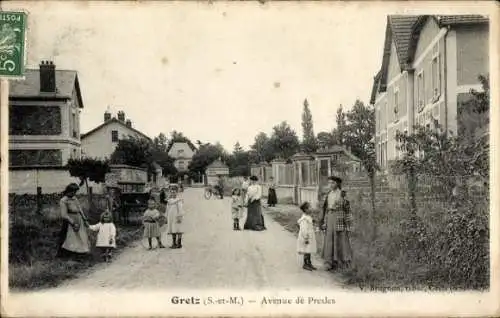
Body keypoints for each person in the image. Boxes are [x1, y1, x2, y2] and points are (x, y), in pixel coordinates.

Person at [56, 183, 91, 259]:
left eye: (75, 192)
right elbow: (64, 215)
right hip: (69, 221)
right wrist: (72, 223)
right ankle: (67, 254)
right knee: (70, 237)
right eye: (72, 191)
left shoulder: (74, 198)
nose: (74, 193)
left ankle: (80, 253)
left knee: (80, 236)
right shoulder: (63, 200)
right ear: (68, 191)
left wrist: (84, 220)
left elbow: (80, 209)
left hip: (78, 219)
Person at [319, 175, 343, 271]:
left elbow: (345, 208)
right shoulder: (329, 194)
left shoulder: (341, 194)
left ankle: (337, 262)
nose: (331, 184)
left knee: (337, 238)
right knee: (329, 239)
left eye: (333, 183)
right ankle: (328, 262)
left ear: (337, 183)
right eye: (329, 183)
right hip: (330, 217)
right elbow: (325, 209)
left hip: (338, 217)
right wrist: (324, 220)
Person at [297, 201, 317, 271]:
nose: (311, 209)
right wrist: (306, 238)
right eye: (309, 208)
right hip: (306, 237)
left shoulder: (308, 217)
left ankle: (309, 263)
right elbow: (303, 229)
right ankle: (305, 264)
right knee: (306, 250)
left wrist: (313, 221)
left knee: (309, 250)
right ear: (305, 209)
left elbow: (310, 222)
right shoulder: (304, 219)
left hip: (309, 236)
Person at [338, 190, 353, 269]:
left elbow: (348, 215)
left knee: (344, 244)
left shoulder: (346, 202)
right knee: (341, 244)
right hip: (338, 226)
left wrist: (348, 227)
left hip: (342, 226)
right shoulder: (337, 202)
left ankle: (346, 261)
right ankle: (342, 261)